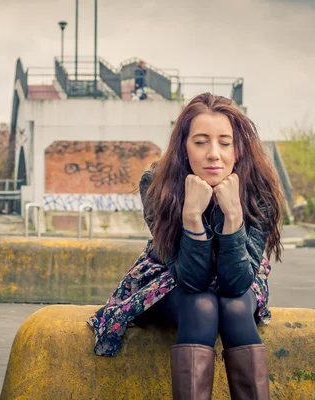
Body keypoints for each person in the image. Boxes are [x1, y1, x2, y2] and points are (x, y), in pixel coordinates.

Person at [87, 92, 284, 399]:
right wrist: (192, 216)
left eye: (224, 141)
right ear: (184, 147)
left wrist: (232, 216)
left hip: (241, 274)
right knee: (202, 304)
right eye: (201, 141)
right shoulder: (158, 183)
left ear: (239, 148)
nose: (214, 154)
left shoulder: (259, 187)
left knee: (233, 306)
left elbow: (236, 284)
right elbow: (191, 281)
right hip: (170, 278)